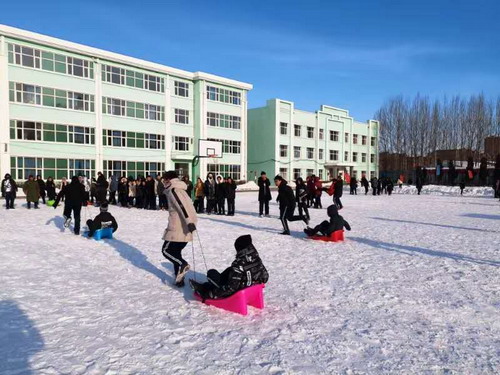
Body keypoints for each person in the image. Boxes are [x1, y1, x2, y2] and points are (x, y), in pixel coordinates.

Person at [189, 235, 269, 300]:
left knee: (211, 273)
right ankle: (208, 285)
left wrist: (210, 294)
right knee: (230, 270)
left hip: (237, 293)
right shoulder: (256, 258)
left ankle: (203, 289)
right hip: (250, 291)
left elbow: (230, 288)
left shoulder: (238, 264)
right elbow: (265, 277)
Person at [161, 171, 198, 287]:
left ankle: (183, 265)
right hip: (183, 227)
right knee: (176, 252)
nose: (163, 182)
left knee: (166, 251)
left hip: (178, 228)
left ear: (168, 180)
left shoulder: (174, 190)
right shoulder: (180, 189)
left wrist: (189, 222)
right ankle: (179, 279)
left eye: (164, 180)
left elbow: (183, 207)